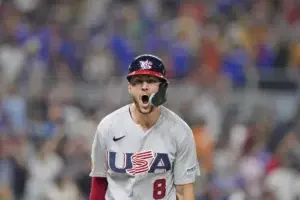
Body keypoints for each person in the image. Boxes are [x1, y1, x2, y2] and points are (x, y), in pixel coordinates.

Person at [89, 54, 200, 200]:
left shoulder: (179, 131)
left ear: (163, 87)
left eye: (152, 81)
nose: (144, 87)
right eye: (138, 81)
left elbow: (185, 189)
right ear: (129, 87)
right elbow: (99, 181)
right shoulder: (108, 127)